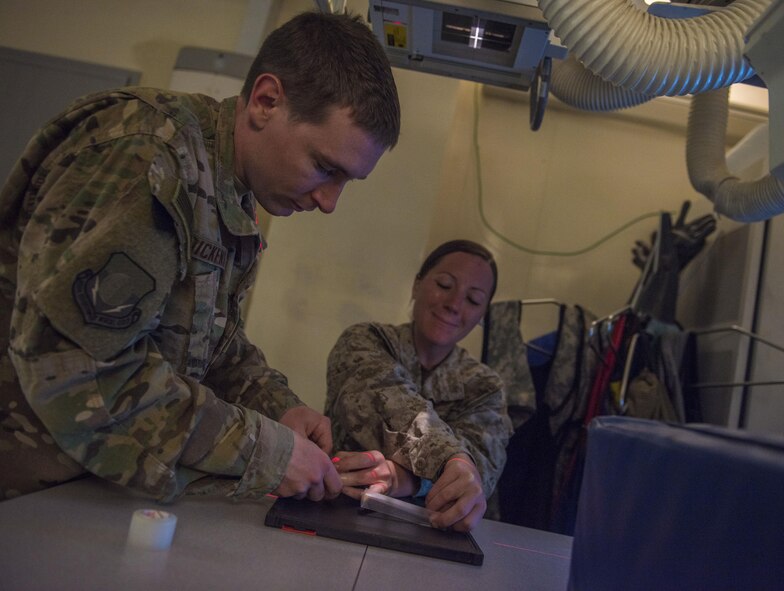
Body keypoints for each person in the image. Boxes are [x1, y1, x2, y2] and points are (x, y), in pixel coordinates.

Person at [0, 10, 401, 503]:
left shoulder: (228, 186)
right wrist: (265, 451)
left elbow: (209, 346)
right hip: (21, 493)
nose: (329, 201)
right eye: (323, 168)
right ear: (266, 101)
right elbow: (78, 367)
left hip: (77, 497)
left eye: (346, 182)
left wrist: (277, 409)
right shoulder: (149, 156)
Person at [325, 240, 513, 531]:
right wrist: (448, 464)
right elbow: (386, 399)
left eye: (473, 300)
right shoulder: (366, 341)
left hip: (435, 534)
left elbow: (480, 474)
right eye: (445, 284)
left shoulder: (485, 387)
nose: (454, 304)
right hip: (338, 513)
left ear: (482, 315)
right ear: (416, 286)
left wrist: (407, 480)